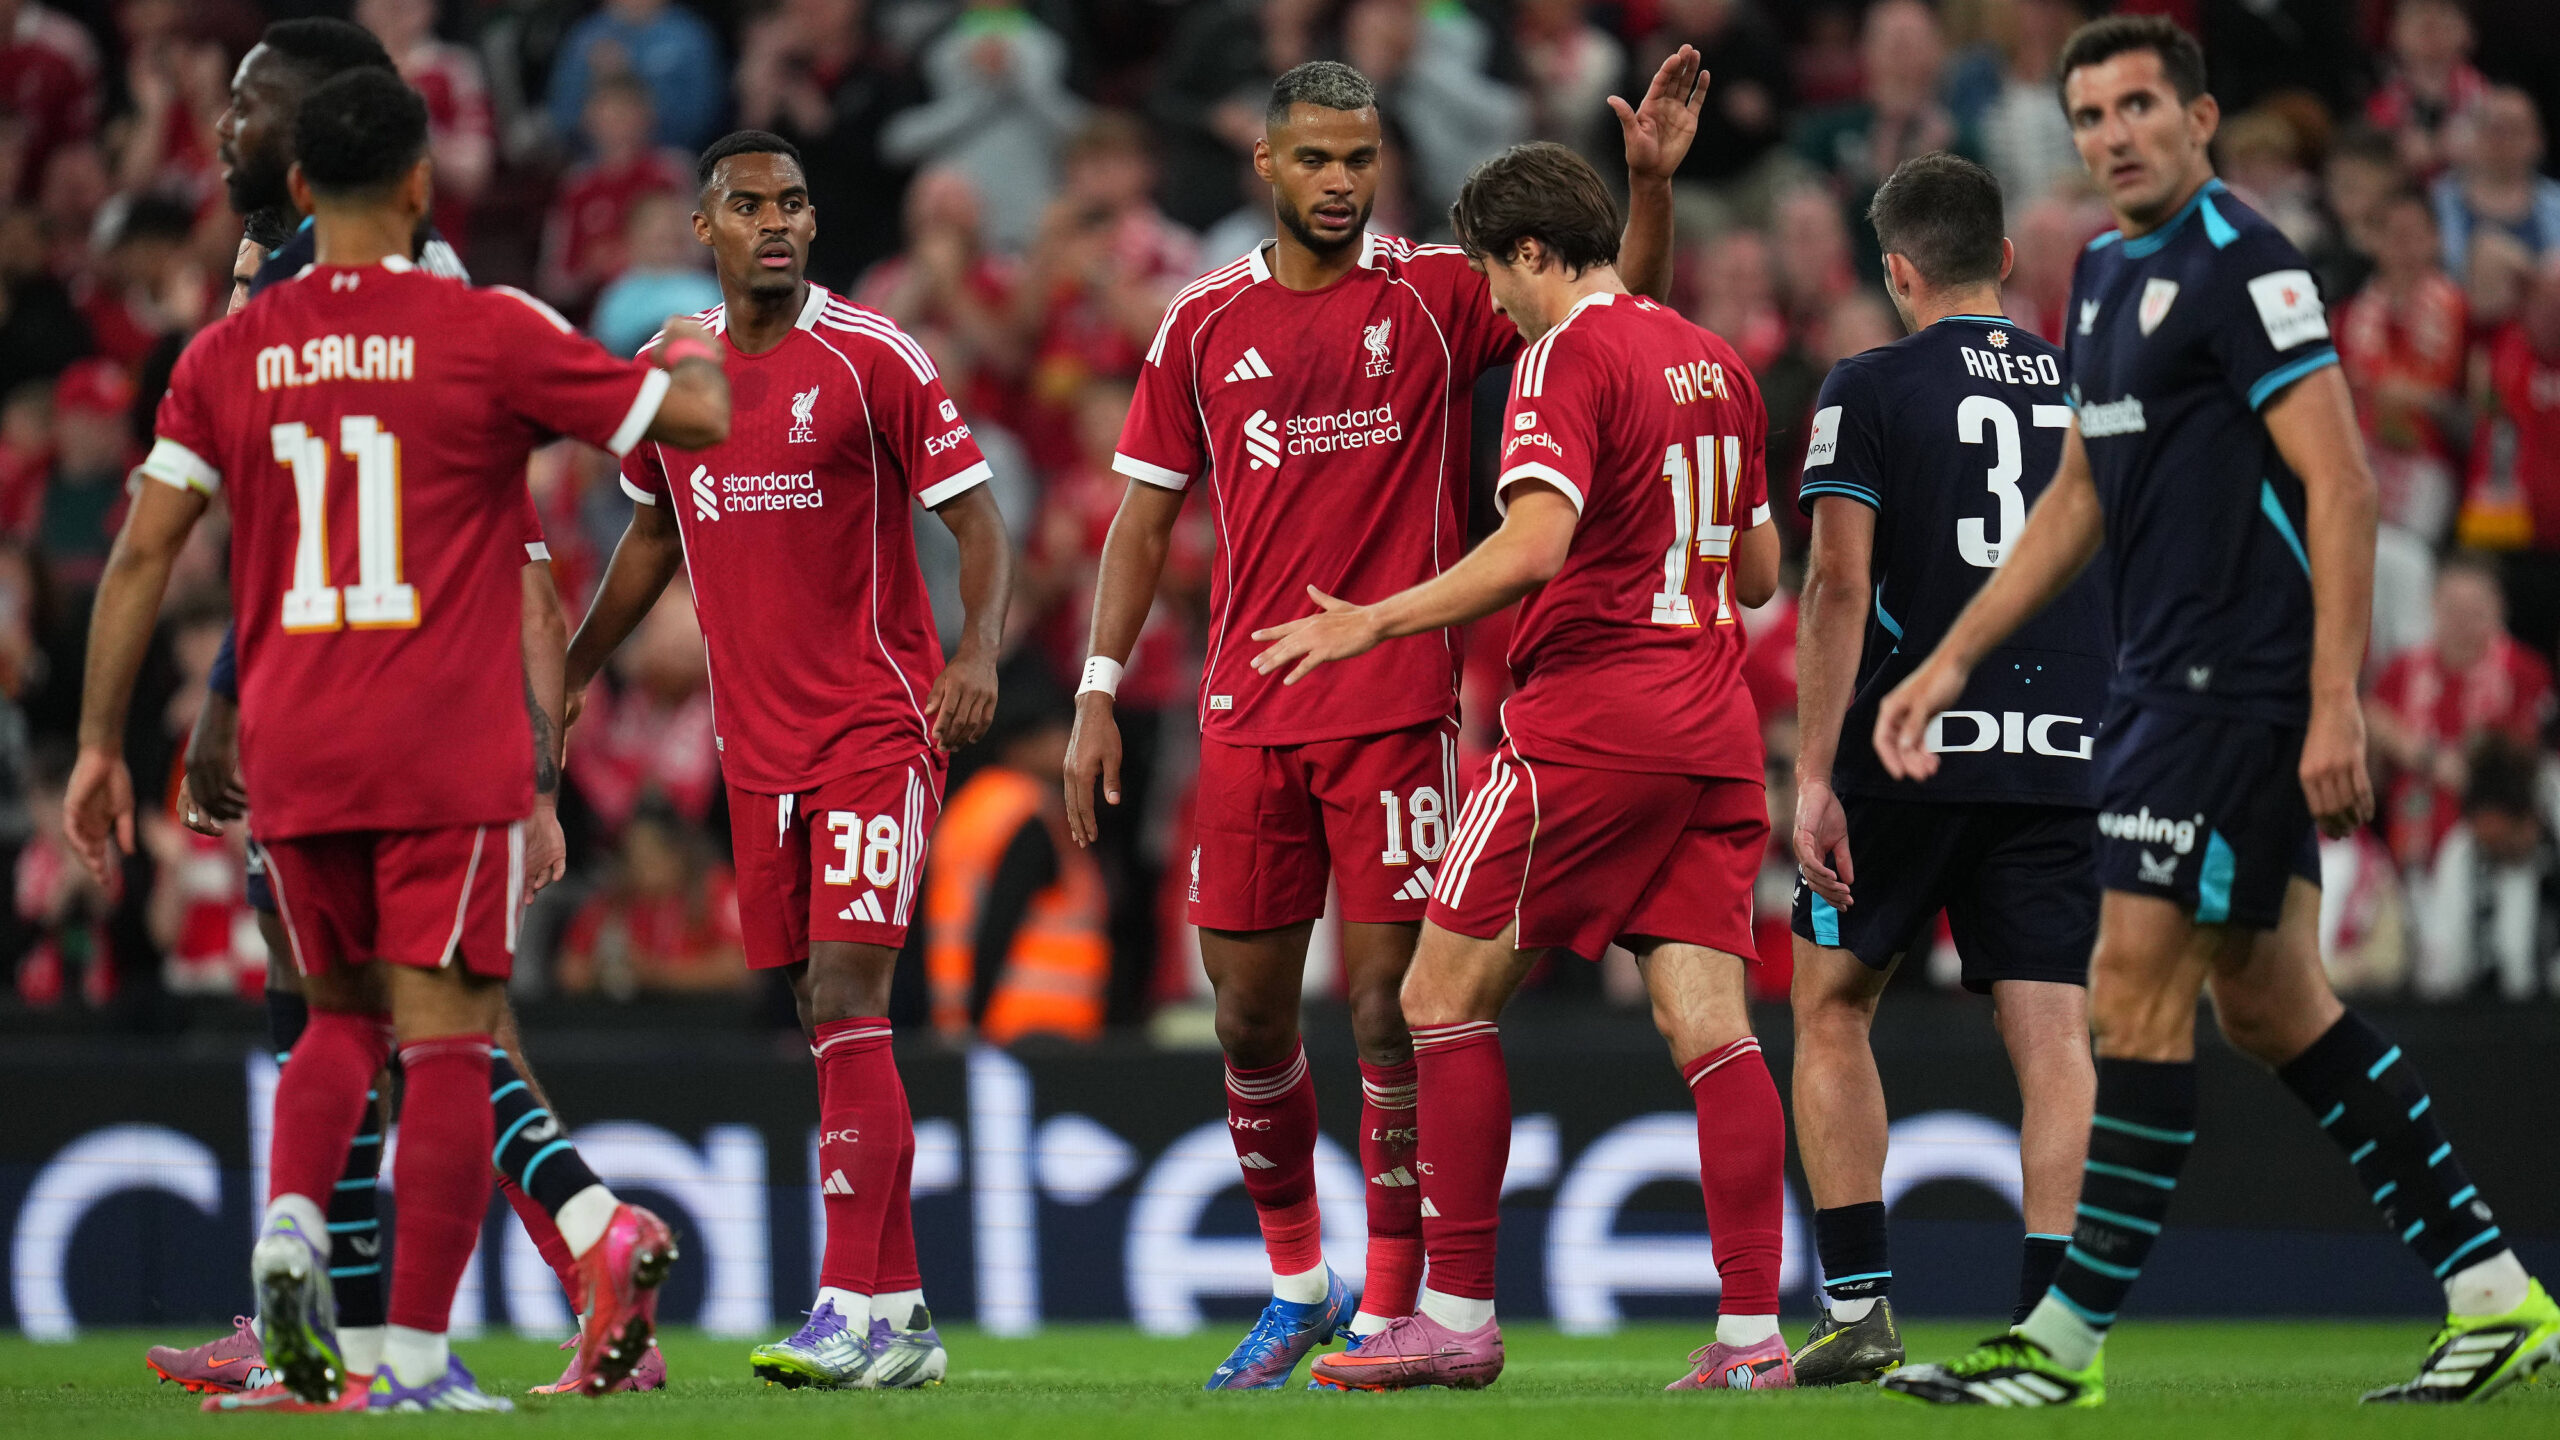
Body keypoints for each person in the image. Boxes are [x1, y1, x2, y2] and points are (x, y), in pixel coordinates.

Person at [1871, 16, 2558, 1406]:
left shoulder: (2246, 266)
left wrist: (2332, 708)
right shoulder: (2109, 272)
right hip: (2153, 688)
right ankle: (2495, 1291)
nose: (2113, 133)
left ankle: (2062, 1346)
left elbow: (2346, 484)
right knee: (2272, 1003)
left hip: (2232, 694)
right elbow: (2077, 497)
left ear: (2196, 119)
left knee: (2129, 986)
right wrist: (1949, 658)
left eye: (2137, 107)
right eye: (2089, 115)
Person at [66, 67, 728, 1410]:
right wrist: (695, 343)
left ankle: (291, 1231)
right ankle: (411, 1364)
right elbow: (694, 425)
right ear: (424, 186)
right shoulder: (482, 332)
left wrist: (94, 748)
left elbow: (139, 558)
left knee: (328, 1027)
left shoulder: (232, 351)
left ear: (300, 189)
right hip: (445, 748)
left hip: (297, 750)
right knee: (441, 1045)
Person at [1064, 53, 1705, 1389]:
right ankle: (1300, 1281)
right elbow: (1141, 512)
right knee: (1247, 1022)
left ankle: (1396, 1303)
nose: (1343, 184)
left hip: (1396, 710)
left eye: (1361, 160)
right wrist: (1097, 691)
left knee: (1384, 1013)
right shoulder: (1198, 324)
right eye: (1317, 160)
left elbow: (1599, 307)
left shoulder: (1432, 293)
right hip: (1246, 712)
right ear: (1267, 164)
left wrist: (1646, 191)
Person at [1251, 138, 1784, 1393]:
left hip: (1594, 723)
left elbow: (1535, 543)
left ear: (1533, 253)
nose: (1490, 301)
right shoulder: (1714, 359)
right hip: (1713, 726)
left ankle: (1458, 1311)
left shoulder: (1561, 356)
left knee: (1437, 998)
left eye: (1494, 273)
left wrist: (1371, 618)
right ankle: (1756, 1337)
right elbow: (1757, 576)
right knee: (1712, 1029)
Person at [563, 128, 1013, 1392]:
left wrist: (974, 651)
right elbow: (651, 537)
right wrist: (576, 671)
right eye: (750, 204)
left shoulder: (873, 358)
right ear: (702, 229)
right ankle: (904, 1317)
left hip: (874, 726)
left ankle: (846, 1304)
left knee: (847, 996)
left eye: (798, 203)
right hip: (752, 752)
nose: (779, 222)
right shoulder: (675, 370)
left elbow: (977, 518)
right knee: (824, 1013)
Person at [1786, 151, 2103, 1385]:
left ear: (1897, 272)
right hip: (2062, 748)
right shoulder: (2087, 383)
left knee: (1829, 1006)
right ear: (2008, 263)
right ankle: (2049, 1329)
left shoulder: (1867, 382)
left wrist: (1814, 772)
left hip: (1903, 748)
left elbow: (1837, 582)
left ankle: (1861, 1311)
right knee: (2054, 1037)